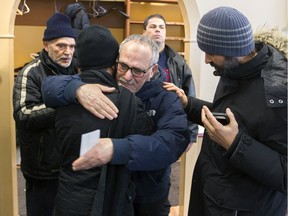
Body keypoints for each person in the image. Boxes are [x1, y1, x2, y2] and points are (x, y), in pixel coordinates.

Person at [42, 34, 190, 216]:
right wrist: (76, 89)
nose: (127, 76)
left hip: (148, 196)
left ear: (152, 71)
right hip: (110, 195)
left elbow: (172, 142)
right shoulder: (98, 89)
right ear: (115, 62)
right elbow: (49, 86)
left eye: (137, 71)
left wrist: (119, 149)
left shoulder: (166, 97)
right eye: (123, 66)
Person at [163, 7, 287, 216]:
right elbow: (234, 117)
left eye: (210, 53)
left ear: (233, 49)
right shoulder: (234, 70)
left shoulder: (278, 92)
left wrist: (236, 144)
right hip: (215, 198)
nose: (206, 60)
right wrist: (189, 105)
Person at [52, 25, 154, 216]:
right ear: (114, 63)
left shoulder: (62, 98)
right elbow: (145, 154)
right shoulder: (129, 103)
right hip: (112, 202)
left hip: (68, 199)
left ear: (78, 61)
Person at [13, 12, 77, 216]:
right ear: (46, 45)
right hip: (42, 169)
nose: (68, 52)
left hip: (71, 164)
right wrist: (65, 106)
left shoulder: (77, 70)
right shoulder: (30, 73)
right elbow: (23, 114)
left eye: (72, 46)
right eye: (61, 45)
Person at [143, 14, 198, 147]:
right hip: (139, 123)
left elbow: (189, 97)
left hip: (167, 125)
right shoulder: (136, 57)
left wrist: (191, 134)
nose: (158, 30)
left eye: (161, 27)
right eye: (153, 26)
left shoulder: (179, 63)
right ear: (144, 32)